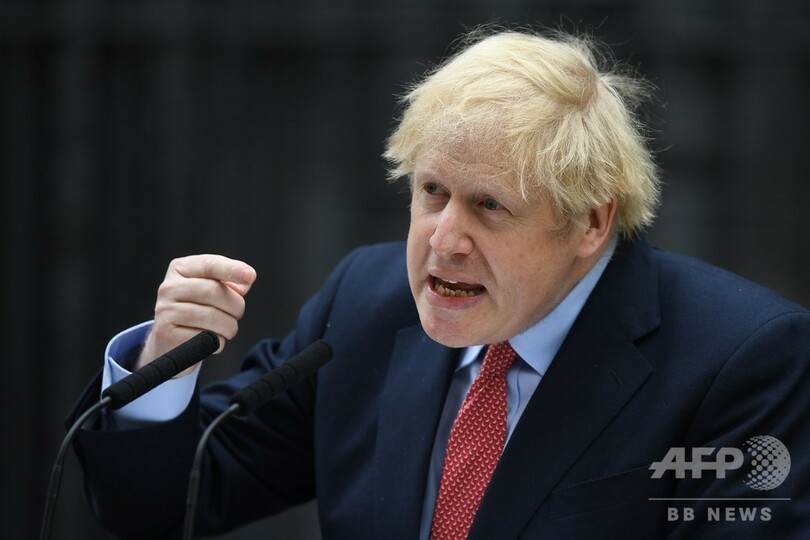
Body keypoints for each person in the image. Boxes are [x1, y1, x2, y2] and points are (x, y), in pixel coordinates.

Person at [69, 28, 810, 539]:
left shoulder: (741, 360)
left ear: (590, 221)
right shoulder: (364, 303)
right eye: (432, 192)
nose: (444, 240)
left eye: (489, 206)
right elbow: (159, 506)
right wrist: (164, 364)